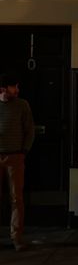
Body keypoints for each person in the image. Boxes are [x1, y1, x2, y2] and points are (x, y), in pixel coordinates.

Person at [0, 72, 35, 251]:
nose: (17, 90)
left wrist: (24, 151)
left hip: (15, 156)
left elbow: (30, 130)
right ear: (4, 89)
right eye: (14, 87)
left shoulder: (22, 105)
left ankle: (16, 237)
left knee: (16, 198)